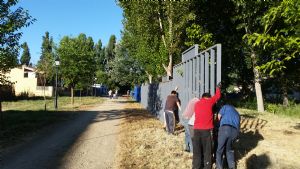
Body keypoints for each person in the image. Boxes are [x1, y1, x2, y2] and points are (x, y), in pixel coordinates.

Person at [192, 83, 221, 169]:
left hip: (196, 130)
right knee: (207, 150)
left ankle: (196, 166)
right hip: (206, 131)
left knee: (197, 151)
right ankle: (207, 166)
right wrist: (218, 88)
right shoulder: (209, 101)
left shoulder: (197, 104)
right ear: (208, 97)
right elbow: (217, 96)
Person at [216, 104, 240, 169]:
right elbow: (238, 128)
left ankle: (219, 167)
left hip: (225, 128)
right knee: (229, 150)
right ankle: (232, 167)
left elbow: (219, 116)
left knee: (219, 150)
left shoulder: (225, 106)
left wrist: (218, 125)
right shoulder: (237, 113)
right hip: (234, 131)